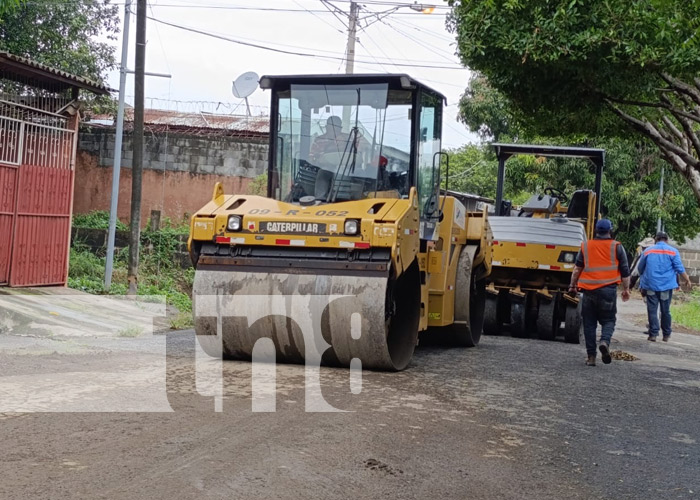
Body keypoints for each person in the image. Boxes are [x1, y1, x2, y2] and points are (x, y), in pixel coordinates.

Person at [569, 219, 631, 366]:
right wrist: (626, 289)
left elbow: (577, 269)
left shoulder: (586, 246)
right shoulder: (617, 247)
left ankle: (591, 357)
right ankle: (604, 341)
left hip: (589, 292)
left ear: (596, 230)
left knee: (589, 324)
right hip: (608, 291)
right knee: (609, 320)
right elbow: (625, 271)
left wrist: (572, 286)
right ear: (610, 230)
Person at [637, 231, 692, 342]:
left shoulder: (648, 251)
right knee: (665, 310)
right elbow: (679, 268)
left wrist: (644, 278)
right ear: (667, 240)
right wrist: (687, 279)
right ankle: (666, 335)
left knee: (652, 310)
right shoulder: (673, 251)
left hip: (651, 285)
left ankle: (653, 334)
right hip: (666, 286)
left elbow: (640, 268)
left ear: (656, 239)